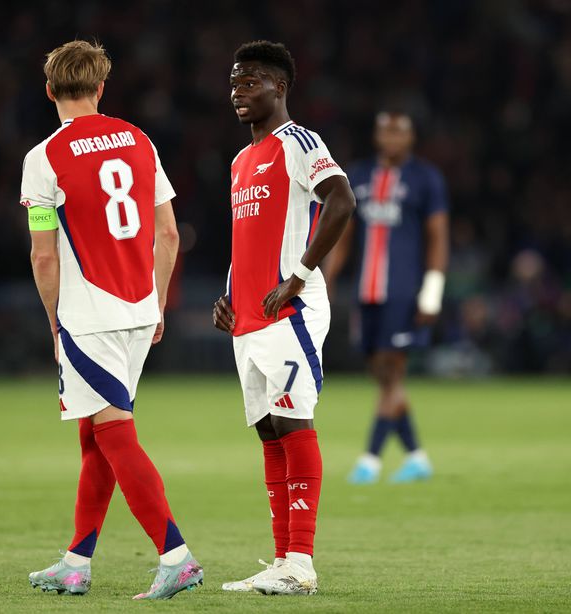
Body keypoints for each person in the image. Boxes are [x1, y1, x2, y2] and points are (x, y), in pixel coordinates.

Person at [20, 40, 202, 600]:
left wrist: (54, 320)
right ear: (101, 88)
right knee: (95, 435)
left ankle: (176, 556)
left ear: (49, 91)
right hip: (139, 309)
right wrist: (157, 301)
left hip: (88, 315)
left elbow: (44, 255)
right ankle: (76, 562)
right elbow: (168, 233)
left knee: (114, 434)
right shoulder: (140, 141)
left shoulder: (44, 157)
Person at [213, 41, 355, 596]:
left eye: (250, 82)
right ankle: (281, 561)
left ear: (280, 87)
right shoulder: (240, 161)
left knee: (294, 423)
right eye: (234, 82)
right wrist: (229, 293)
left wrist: (298, 275)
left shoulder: (298, 142)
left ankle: (302, 563)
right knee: (270, 432)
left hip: (290, 310)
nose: (238, 92)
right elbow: (248, 237)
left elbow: (341, 200)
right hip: (249, 317)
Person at [323, 110, 449, 484]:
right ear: (377, 136)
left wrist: (432, 292)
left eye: (399, 132)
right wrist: (327, 277)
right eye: (386, 132)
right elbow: (343, 233)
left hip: (403, 292)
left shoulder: (425, 178)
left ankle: (370, 459)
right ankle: (417, 457)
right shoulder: (359, 176)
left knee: (393, 373)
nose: (392, 138)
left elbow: (438, 236)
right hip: (367, 292)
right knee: (382, 376)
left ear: (411, 137)